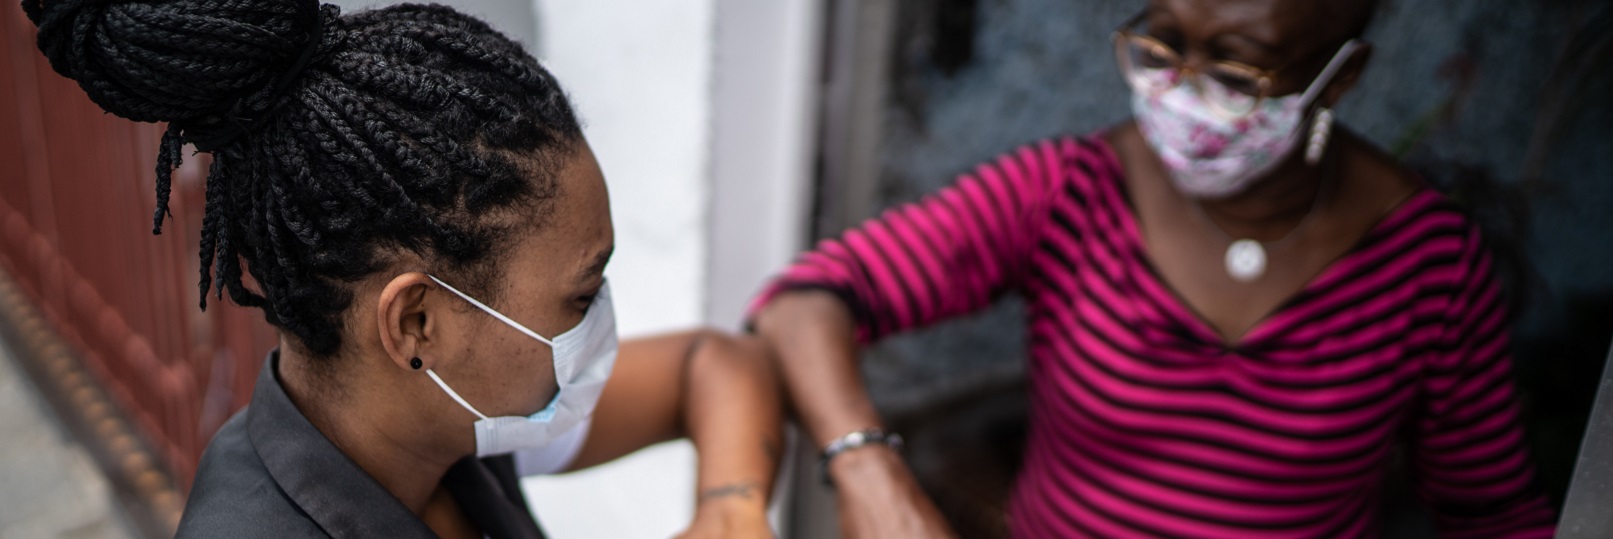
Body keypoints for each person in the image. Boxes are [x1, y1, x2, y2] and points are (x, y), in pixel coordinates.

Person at [749, 0, 1557, 537]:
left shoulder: (1429, 262)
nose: (1180, 91)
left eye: (1236, 72)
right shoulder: (1069, 189)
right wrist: (864, 465)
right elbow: (804, 299)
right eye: (1162, 45)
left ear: (1337, 76)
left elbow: (1486, 507)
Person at [22, 1, 782, 537]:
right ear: (416, 321)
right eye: (580, 295)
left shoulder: (443, 428)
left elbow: (714, 364)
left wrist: (732, 504)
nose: (599, 319)